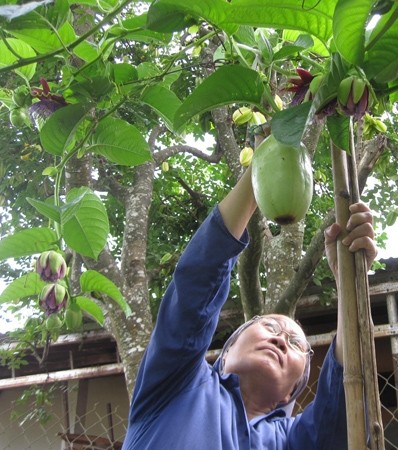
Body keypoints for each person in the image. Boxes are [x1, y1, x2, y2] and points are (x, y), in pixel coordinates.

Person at [122, 167, 378, 449]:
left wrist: (349, 281)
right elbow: (194, 290)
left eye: (295, 344)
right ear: (227, 350)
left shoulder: (292, 441)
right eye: (269, 326)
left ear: (290, 393)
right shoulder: (176, 383)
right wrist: (264, 165)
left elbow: (342, 410)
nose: (281, 339)